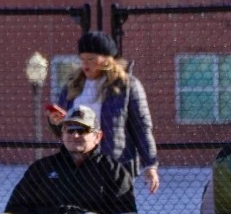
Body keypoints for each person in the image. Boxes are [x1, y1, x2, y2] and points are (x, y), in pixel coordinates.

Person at [45, 30, 160, 195]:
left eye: (91, 59)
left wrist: (150, 165)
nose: (85, 64)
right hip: (76, 163)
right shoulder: (73, 85)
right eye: (82, 58)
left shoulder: (127, 86)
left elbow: (141, 127)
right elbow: (63, 131)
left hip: (115, 164)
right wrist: (56, 121)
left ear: (107, 59)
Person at [4, 104, 136, 214]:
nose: (75, 135)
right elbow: (15, 209)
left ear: (98, 136)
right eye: (69, 130)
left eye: (82, 130)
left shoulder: (113, 170)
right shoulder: (41, 168)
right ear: (62, 134)